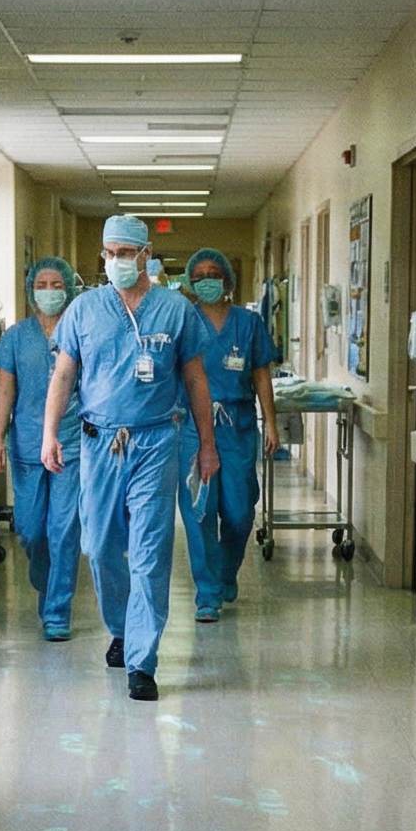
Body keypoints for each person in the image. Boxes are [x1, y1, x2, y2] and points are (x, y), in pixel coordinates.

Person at [41, 216, 216, 701]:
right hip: (98, 442)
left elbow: (196, 379)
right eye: (109, 253)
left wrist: (207, 444)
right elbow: (63, 376)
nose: (115, 261)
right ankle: (121, 627)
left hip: (157, 440)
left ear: (145, 255)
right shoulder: (84, 310)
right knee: (99, 546)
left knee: (149, 553)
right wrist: (49, 433)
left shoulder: (175, 310)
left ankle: (142, 658)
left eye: (124, 252)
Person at [173, 248, 277, 623]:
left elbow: (261, 374)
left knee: (239, 511)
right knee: (199, 511)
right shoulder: (184, 320)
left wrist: (271, 422)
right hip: (191, 425)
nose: (207, 280)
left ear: (227, 280)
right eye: (199, 275)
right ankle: (208, 593)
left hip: (237, 425)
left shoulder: (248, 323)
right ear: (190, 281)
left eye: (214, 274)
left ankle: (225, 572)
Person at [0, 256, 85, 641]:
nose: (49, 291)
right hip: (27, 442)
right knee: (31, 529)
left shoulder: (80, 331)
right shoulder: (16, 337)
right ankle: (46, 584)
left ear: (69, 289)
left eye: (56, 285)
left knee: (64, 528)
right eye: (41, 285)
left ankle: (57, 610)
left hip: (72, 440)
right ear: (30, 291)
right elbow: (5, 392)